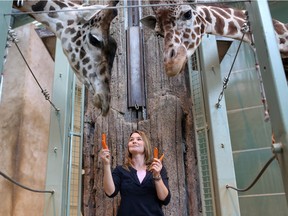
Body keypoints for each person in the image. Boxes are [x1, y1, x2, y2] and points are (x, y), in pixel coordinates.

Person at [99, 130, 171, 216]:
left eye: (139, 139)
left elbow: (165, 199)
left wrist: (156, 175)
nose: (134, 141)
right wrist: (106, 164)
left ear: (146, 145)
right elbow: (110, 192)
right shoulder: (121, 170)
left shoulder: (158, 169)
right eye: (131, 139)